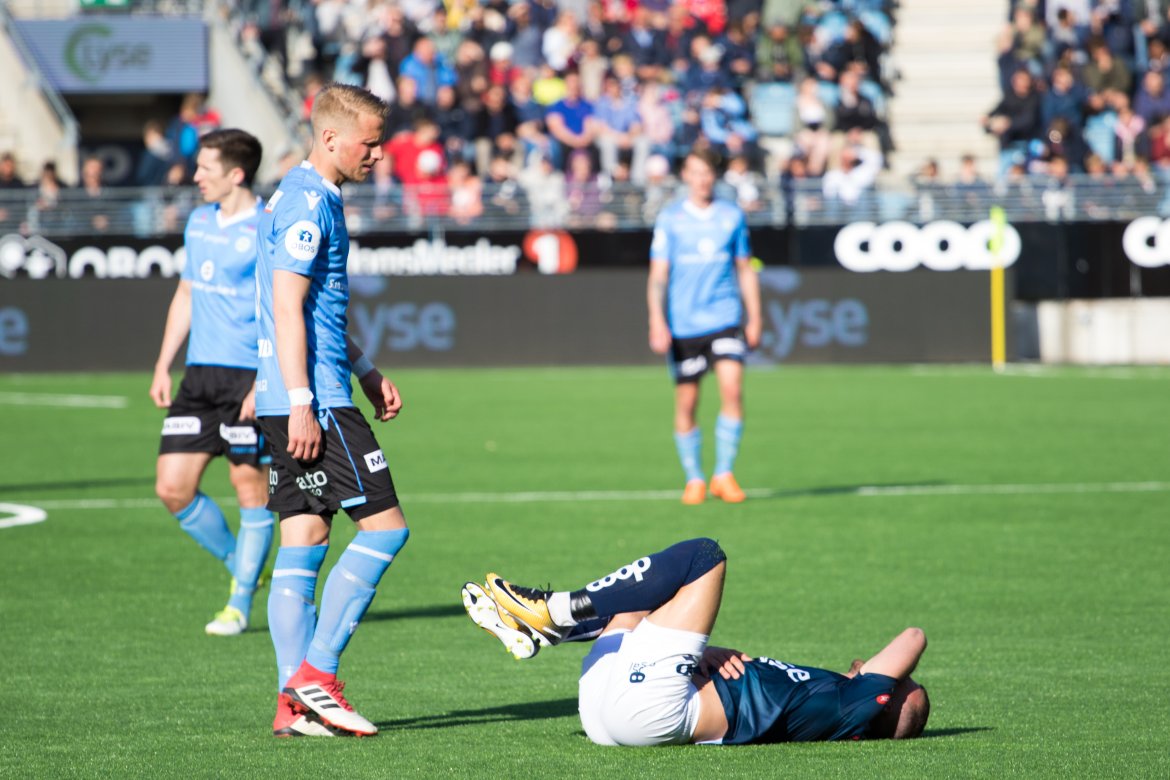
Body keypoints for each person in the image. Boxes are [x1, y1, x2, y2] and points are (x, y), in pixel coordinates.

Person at [255, 83, 410, 739]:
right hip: (312, 399)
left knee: (305, 539)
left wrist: (367, 368)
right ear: (330, 138)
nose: (377, 154)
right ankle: (315, 681)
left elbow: (316, 309)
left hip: (287, 394)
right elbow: (287, 307)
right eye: (369, 142)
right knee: (385, 530)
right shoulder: (308, 205)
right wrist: (303, 402)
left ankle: (292, 707)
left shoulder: (300, 194)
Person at [461, 537, 930, 745]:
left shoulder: (853, 705)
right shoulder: (833, 700)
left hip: (656, 710)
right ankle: (545, 629)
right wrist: (699, 655)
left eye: (897, 682)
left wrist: (896, 689)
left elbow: (915, 636)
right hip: (612, 715)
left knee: (703, 557)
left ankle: (553, 611)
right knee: (642, 601)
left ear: (884, 698)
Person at [149, 130, 273, 637]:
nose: (195, 176)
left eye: (205, 169)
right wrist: (163, 363)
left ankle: (239, 603)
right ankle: (242, 566)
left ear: (236, 174)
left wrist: (263, 384)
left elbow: (279, 312)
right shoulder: (199, 221)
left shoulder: (268, 227)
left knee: (249, 488)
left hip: (248, 377)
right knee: (172, 488)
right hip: (199, 377)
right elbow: (186, 292)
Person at [647, 149, 761, 505]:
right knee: (687, 403)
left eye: (707, 173)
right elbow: (657, 276)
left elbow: (744, 269)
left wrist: (755, 316)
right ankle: (694, 477)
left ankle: (724, 474)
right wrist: (656, 318)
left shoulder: (731, 216)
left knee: (732, 389)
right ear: (685, 175)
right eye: (695, 172)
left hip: (725, 319)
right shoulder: (670, 219)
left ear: (715, 176)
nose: (702, 179)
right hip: (684, 326)